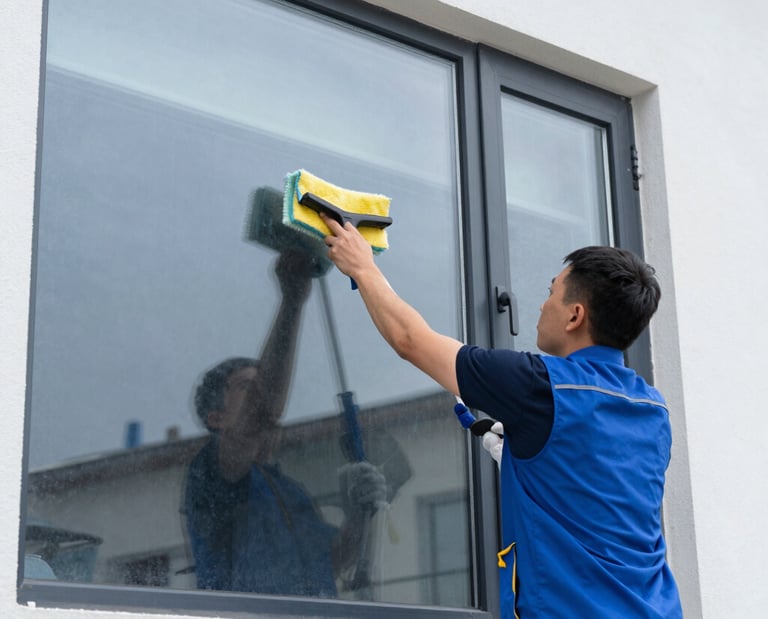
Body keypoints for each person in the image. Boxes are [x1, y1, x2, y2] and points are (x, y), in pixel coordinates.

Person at [321, 214, 682, 618]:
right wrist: (533, 451)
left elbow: (410, 340)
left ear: (575, 316)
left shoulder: (539, 386)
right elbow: (600, 491)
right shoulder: (653, 409)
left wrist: (362, 267)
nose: (543, 304)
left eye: (551, 292)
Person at [184, 250, 386, 597]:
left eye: (260, 385)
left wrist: (359, 513)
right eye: (247, 387)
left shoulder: (287, 491)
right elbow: (262, 412)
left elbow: (335, 559)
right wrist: (293, 299)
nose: (261, 393)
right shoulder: (212, 474)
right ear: (216, 418)